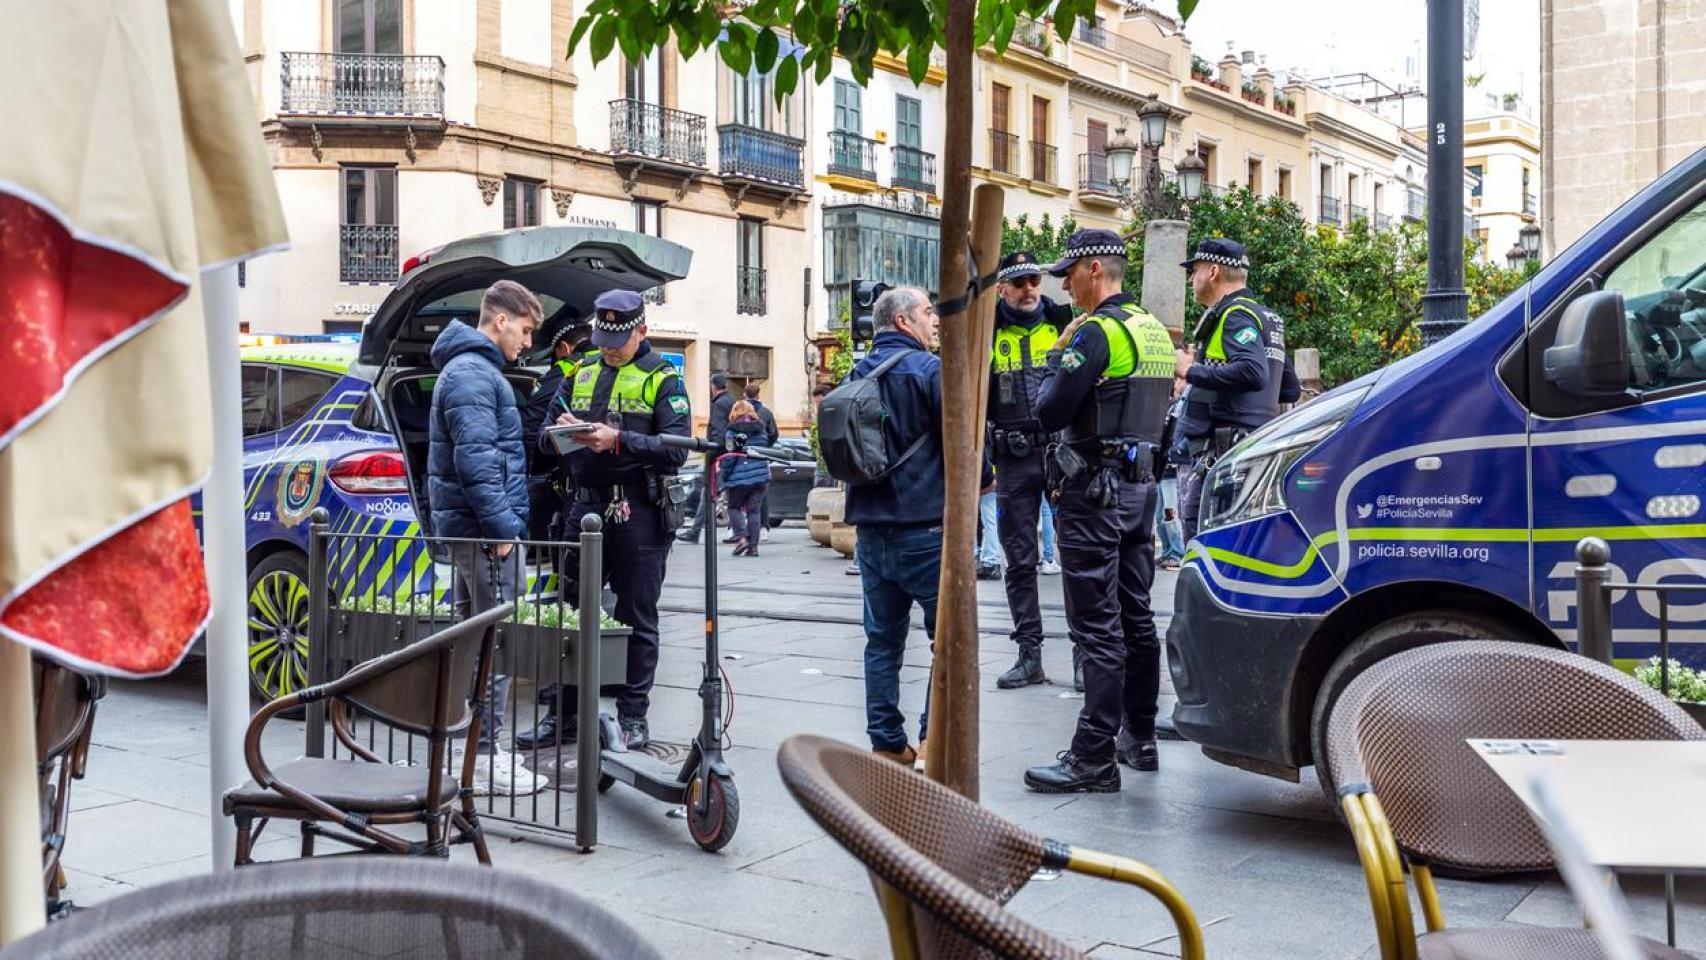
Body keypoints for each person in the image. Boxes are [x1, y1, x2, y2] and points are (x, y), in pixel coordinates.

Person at [1023, 229, 1174, 792]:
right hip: (1139, 491)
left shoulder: (1095, 332)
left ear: (1093, 269)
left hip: (1093, 493)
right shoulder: (1150, 328)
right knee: (1137, 617)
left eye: (1068, 274)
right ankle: (1140, 737)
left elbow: (1049, 410)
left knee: (1096, 626)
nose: (1064, 286)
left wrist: (1057, 354)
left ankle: (1092, 756)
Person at [516, 289, 690, 752]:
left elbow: (677, 450)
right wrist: (563, 434)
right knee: (570, 614)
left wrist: (618, 441)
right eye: (603, 339)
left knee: (637, 613)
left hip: (639, 511)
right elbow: (543, 439)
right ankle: (565, 715)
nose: (609, 349)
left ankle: (633, 716)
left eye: (618, 340)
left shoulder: (663, 378)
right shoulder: (582, 369)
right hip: (583, 506)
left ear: (641, 331)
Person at [844, 287, 994, 766]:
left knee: (881, 642)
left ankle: (887, 742)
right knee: (946, 640)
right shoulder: (931, 371)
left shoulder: (855, 374)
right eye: (928, 312)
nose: (936, 320)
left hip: (870, 529)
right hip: (926, 530)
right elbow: (963, 440)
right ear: (903, 321)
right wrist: (985, 477)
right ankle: (933, 739)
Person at [426, 279, 548, 796]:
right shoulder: (474, 375)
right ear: (501, 320)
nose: (527, 342)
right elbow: (475, 461)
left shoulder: (469, 371)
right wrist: (502, 530)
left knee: (473, 638)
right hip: (483, 533)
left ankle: (466, 748)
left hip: (471, 530)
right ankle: (485, 755)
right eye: (525, 330)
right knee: (496, 640)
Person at [1174, 238, 1300, 542]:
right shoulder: (1267, 318)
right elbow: (1289, 388)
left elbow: (1253, 372)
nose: (1191, 280)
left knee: (1206, 545)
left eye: (1195, 271)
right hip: (1253, 450)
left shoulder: (1234, 315)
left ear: (1213, 271)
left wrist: (1190, 371)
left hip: (1224, 457)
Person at [986, 250, 1073, 689]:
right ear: (1002, 288)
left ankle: (1083, 655)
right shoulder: (987, 331)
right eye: (1019, 283)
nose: (1029, 290)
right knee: (1019, 562)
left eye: (1034, 281)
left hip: (1060, 456)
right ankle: (1029, 655)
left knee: (1076, 556)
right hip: (1012, 460)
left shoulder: (1063, 322)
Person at [523, 320, 596, 543]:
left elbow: (531, 423)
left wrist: (528, 473)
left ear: (564, 348)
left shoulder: (568, 368)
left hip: (571, 483)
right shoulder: (616, 365)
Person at [676, 373, 736, 544]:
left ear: (713, 386)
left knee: (709, 492)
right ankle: (739, 532)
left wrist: (711, 454)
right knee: (727, 493)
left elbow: (718, 431)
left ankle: (696, 531)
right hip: (729, 454)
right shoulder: (731, 400)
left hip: (718, 456)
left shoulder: (719, 404)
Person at [721, 400, 770, 557]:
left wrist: (724, 476)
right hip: (760, 477)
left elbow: (730, 457)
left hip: (738, 479)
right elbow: (764, 448)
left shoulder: (731, 432)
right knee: (754, 511)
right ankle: (753, 548)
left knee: (733, 507)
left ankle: (741, 538)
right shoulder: (761, 430)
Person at [743, 383, 779, 538]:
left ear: (745, 394)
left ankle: (736, 527)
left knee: (739, 491)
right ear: (758, 395)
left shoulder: (739, 411)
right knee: (761, 494)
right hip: (761, 457)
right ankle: (763, 526)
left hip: (742, 456)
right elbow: (774, 433)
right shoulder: (766, 413)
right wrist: (765, 446)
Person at [976, 491, 1002, 580]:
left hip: (989, 486)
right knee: (991, 521)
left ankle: (991, 563)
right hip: (996, 487)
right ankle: (991, 563)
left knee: (989, 522)